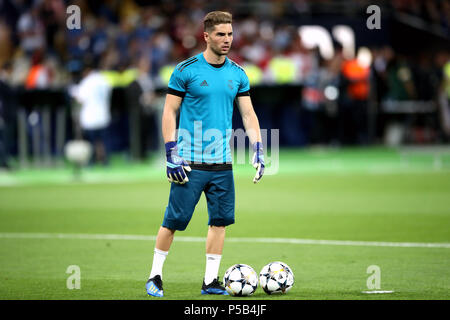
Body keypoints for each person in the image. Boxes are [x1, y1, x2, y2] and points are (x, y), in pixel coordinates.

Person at [145, 11, 265, 297]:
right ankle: (155, 276)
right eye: (221, 34)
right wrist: (171, 152)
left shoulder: (238, 73)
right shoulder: (186, 70)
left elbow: (248, 114)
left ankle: (210, 281)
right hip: (190, 162)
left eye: (230, 34)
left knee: (220, 222)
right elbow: (169, 111)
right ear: (206, 36)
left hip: (222, 163)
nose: (227, 40)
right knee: (173, 222)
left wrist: (258, 148)